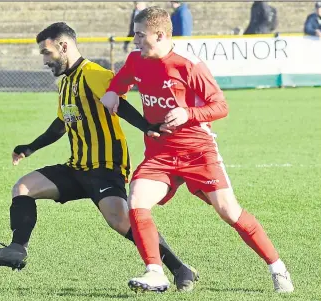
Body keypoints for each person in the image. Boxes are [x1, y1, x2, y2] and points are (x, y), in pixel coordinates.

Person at [0, 22, 199, 291]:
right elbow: (62, 123)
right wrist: (30, 147)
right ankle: (16, 249)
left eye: (47, 53)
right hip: (76, 167)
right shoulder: (66, 83)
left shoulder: (93, 73)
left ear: (64, 46)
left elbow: (120, 103)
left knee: (120, 221)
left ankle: (179, 268)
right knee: (23, 188)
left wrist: (147, 127)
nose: (45, 60)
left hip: (105, 166)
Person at [100, 6, 294, 293]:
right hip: (160, 154)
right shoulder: (135, 59)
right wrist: (115, 91)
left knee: (229, 211)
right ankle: (156, 271)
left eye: (140, 35)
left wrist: (188, 113)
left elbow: (221, 106)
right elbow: (121, 82)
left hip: (197, 152)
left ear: (161, 34)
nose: (135, 40)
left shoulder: (188, 64)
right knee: (138, 201)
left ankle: (277, 268)